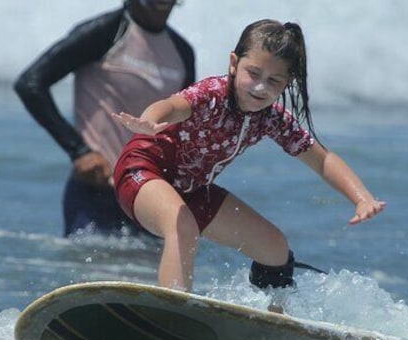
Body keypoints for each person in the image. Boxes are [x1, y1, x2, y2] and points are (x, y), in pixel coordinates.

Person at [111, 19, 386, 292]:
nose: (260, 88)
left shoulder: (272, 119)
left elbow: (322, 160)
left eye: (273, 80)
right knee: (183, 226)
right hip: (144, 171)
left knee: (274, 247)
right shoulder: (212, 94)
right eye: (253, 73)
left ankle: (273, 322)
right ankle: (173, 312)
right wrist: (149, 120)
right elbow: (172, 106)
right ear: (234, 63)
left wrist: (361, 198)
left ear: (287, 83)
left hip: (192, 190)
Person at [14, 0, 195, 235]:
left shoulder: (182, 52)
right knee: (93, 270)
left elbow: (187, 125)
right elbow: (30, 84)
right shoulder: (105, 32)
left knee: (150, 272)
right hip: (96, 193)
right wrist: (78, 151)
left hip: (149, 196)